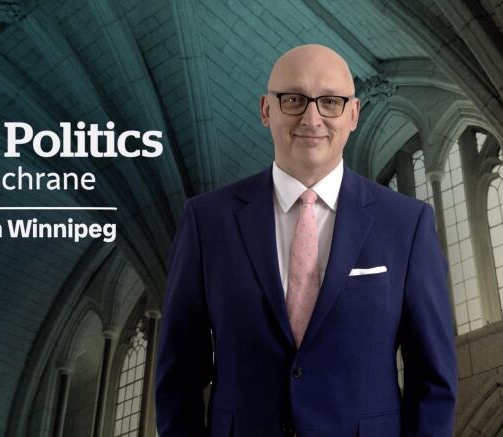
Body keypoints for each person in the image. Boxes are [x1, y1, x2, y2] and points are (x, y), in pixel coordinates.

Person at [155, 44, 457, 436]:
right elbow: (179, 375)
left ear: (353, 114)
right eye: (294, 99)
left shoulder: (407, 223)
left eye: (330, 101)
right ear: (266, 110)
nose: (312, 118)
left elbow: (434, 381)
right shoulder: (206, 221)